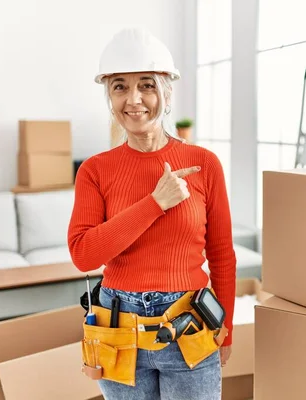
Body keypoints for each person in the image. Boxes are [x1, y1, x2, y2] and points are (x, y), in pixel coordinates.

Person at [68, 27, 236, 400]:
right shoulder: (95, 170)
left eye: (146, 84)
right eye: (119, 87)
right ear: (108, 96)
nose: (134, 99)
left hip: (189, 324)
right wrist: (155, 203)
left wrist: (228, 328)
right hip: (118, 327)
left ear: (167, 91)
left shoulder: (203, 164)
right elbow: (84, 254)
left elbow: (222, 254)